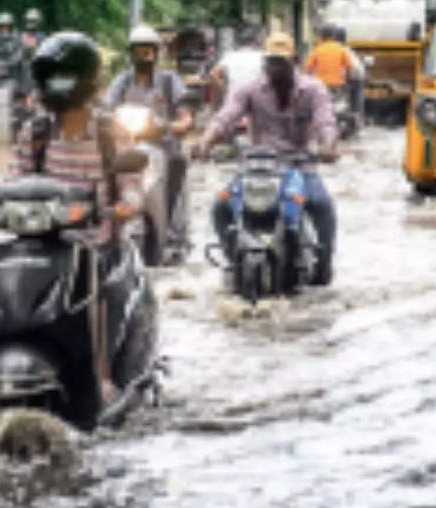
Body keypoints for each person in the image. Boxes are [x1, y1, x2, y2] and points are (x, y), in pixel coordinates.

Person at [15, 32, 146, 405]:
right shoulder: (35, 131)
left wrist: (127, 204)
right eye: (51, 77)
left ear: (86, 81)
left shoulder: (110, 132)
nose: (57, 86)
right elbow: (13, 181)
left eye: (65, 77)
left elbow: (132, 185)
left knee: (96, 282)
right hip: (41, 243)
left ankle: (101, 376)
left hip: (97, 243)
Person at [194, 32, 339, 285]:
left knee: (321, 204)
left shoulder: (313, 90)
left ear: (294, 61)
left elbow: (325, 121)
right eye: (272, 61)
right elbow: (226, 117)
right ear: (264, 63)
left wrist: (328, 145)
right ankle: (231, 255)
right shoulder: (249, 89)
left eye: (282, 62)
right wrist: (206, 141)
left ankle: (324, 263)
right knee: (220, 206)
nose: (276, 67)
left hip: (299, 166)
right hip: (258, 167)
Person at [103, 24, 194, 246]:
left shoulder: (169, 80)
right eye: (139, 51)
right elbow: (106, 108)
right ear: (131, 54)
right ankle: (107, 223)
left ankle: (175, 230)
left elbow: (185, 116)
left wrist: (177, 125)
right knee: (105, 169)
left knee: (178, 162)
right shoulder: (122, 81)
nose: (144, 55)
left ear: (156, 53)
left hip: (162, 145)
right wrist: (106, 120)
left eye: (148, 50)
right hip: (128, 146)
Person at [210, 27, 265, 103]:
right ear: (254, 42)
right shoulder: (261, 56)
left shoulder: (230, 56)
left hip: (234, 98)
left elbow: (213, 74)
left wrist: (226, 89)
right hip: (255, 99)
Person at [333, 25, 366, 126]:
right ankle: (357, 118)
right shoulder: (347, 50)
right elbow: (355, 68)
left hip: (341, 80)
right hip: (353, 79)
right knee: (356, 99)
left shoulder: (332, 49)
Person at [304, 24, 353, 90]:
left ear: (322, 36)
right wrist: (347, 81)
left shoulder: (317, 50)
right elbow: (349, 68)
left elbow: (308, 69)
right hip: (337, 85)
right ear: (333, 36)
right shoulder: (341, 49)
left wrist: (309, 82)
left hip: (320, 85)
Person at [0, 13, 24, 86]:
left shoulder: (17, 38)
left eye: (6, 26)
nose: (4, 28)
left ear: (11, 26)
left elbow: (19, 54)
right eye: (2, 26)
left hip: (13, 72)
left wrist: (8, 63)